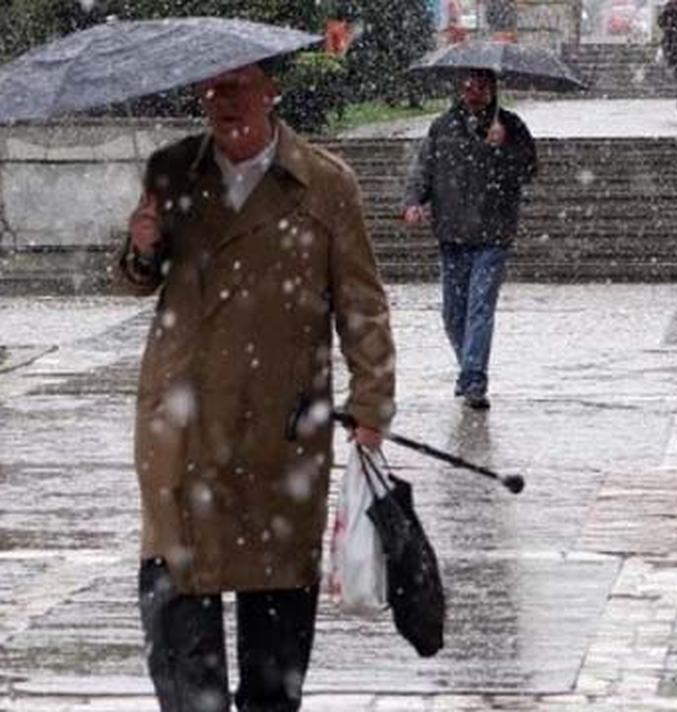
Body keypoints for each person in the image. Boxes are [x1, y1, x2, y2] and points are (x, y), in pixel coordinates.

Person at [116, 60, 397, 711]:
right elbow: (139, 278)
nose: (224, 100)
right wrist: (143, 246)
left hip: (279, 424)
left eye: (238, 86)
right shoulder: (173, 169)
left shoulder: (325, 183)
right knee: (178, 590)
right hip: (181, 423)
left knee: (277, 619)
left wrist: (371, 403)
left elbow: (362, 304)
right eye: (212, 88)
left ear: (271, 92)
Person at [402, 69, 537, 411]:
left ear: (492, 90)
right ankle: (468, 367)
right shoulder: (443, 125)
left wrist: (502, 148)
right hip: (451, 232)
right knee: (452, 314)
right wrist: (413, 201)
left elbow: (528, 170)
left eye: (480, 86)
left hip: (493, 232)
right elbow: (424, 168)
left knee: (480, 307)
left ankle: (474, 379)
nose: (473, 92)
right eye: (468, 86)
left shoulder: (511, 126)